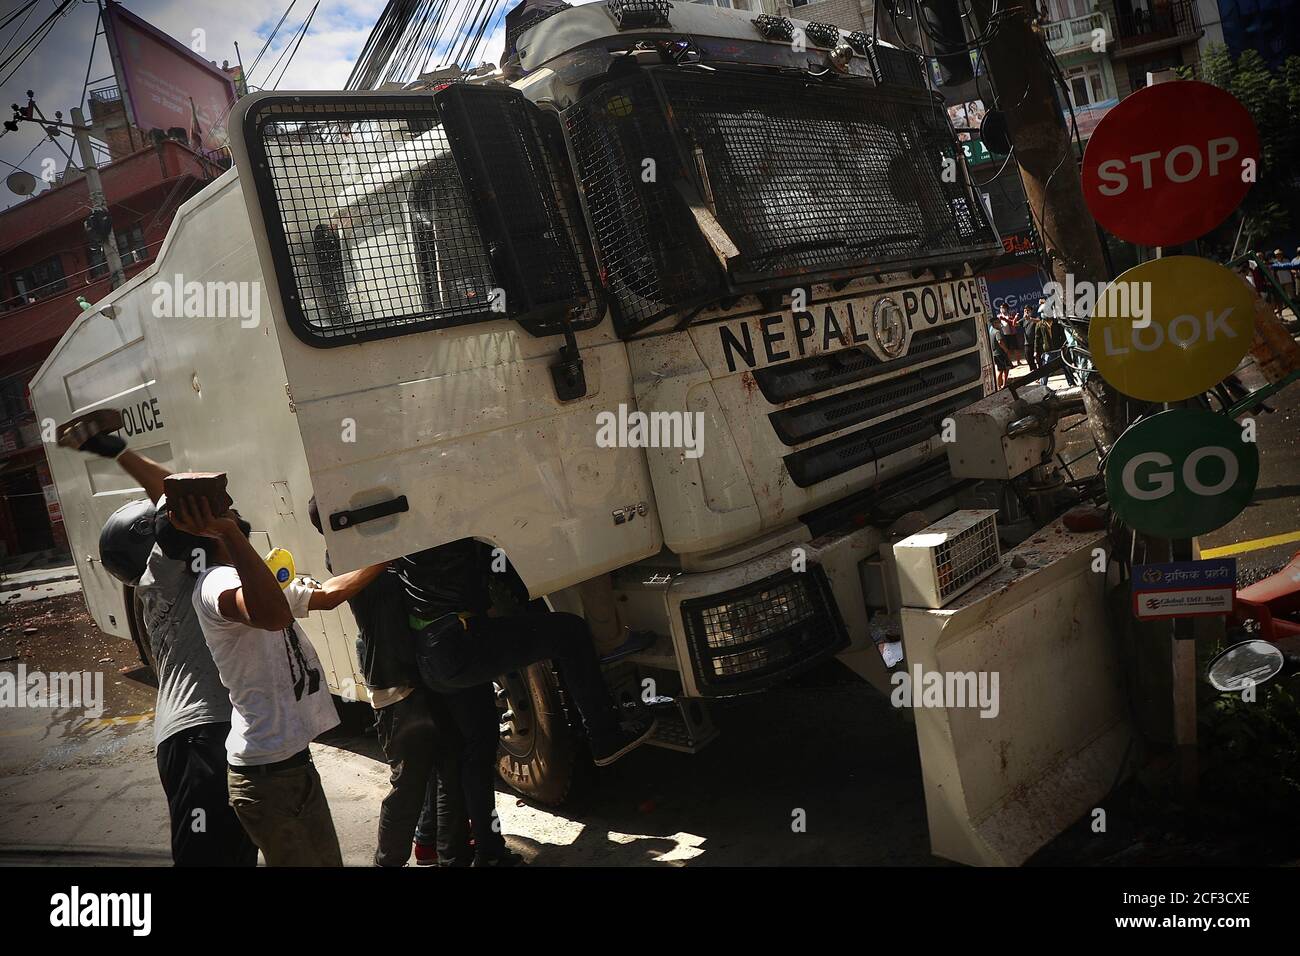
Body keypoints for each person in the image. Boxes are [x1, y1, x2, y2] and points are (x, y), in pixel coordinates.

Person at [58, 421, 257, 867]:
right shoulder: (169, 574)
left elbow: (178, 504)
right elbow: (179, 499)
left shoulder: (173, 578)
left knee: (232, 852)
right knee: (207, 857)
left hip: (197, 735)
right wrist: (120, 453)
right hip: (201, 736)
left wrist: (117, 452)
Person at [398, 543, 657, 866]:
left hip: (431, 654)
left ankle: (487, 853)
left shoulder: (402, 540)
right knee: (569, 632)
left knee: (475, 752)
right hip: (463, 640)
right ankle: (605, 737)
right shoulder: (450, 527)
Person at [173, 494, 387, 866]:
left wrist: (390, 554)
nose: (232, 511)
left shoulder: (254, 583)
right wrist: (225, 530)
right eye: (221, 514)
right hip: (266, 777)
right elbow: (269, 615)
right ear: (208, 533)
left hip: (290, 768)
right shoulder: (214, 581)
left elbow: (331, 594)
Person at [306, 498, 471, 867]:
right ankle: (389, 861)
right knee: (410, 784)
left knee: (443, 768)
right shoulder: (349, 559)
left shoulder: (369, 554)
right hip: (395, 682)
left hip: (412, 674)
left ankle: (439, 852)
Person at [988, 317, 1010, 388]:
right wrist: (1006, 350)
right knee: (1004, 369)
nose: (999, 324)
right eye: (997, 322)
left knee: (1001, 369)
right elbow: (1000, 342)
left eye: (999, 322)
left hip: (995, 354)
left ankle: (1001, 385)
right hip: (1000, 353)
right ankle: (1002, 384)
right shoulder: (997, 332)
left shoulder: (991, 332)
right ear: (994, 324)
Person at [1020, 304, 1039, 372]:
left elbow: (1038, 321)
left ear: (1031, 311)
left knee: (1038, 358)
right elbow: (1015, 324)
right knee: (1029, 359)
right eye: (1025, 311)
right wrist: (1015, 318)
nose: (1026, 312)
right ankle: (1034, 371)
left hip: (1035, 342)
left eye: (1028, 310)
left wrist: (1030, 319)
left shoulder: (1035, 317)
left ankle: (1041, 372)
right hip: (1027, 343)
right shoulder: (1023, 320)